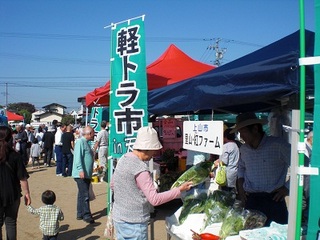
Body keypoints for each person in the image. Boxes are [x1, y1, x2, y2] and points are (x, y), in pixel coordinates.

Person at [112, 126, 193, 240]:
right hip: (135, 222)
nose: (153, 155)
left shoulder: (123, 159)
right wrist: (179, 190)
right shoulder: (140, 168)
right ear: (147, 148)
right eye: (153, 151)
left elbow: (113, 184)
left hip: (119, 218)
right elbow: (154, 199)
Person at [232, 112, 291, 226]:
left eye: (243, 132)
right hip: (252, 200)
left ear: (255, 129)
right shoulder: (244, 149)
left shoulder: (278, 145)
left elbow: (303, 165)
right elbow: (241, 167)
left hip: (273, 200)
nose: (241, 136)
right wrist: (240, 185)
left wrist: (287, 188)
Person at [0, 125, 31, 240]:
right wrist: (27, 193)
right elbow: (23, 177)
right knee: (11, 223)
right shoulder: (15, 156)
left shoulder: (14, 155)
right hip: (13, 193)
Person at [72, 126, 95, 224]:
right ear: (89, 133)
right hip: (81, 174)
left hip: (85, 173)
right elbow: (77, 157)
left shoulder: (86, 143)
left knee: (81, 194)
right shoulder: (80, 142)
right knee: (85, 194)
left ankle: (80, 213)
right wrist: (80, 170)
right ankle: (86, 215)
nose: (94, 135)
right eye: (93, 133)